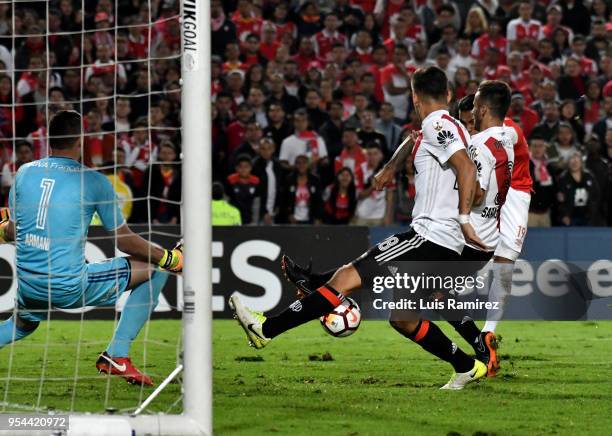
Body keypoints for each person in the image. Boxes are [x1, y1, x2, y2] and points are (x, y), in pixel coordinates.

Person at [230, 66, 489, 390]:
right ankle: (467, 366)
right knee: (403, 319)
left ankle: (266, 329)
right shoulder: (458, 130)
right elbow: (475, 186)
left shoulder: (437, 123)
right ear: (449, 95)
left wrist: (462, 220)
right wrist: (394, 169)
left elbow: (465, 170)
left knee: (346, 279)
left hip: (429, 236)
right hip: (443, 241)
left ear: (413, 97)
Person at [0, 111, 183, 386]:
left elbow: (13, 229)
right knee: (155, 268)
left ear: (49, 139)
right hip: (68, 286)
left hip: (28, 286)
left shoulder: (24, 173)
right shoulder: (94, 181)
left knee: (22, 325)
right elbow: (124, 241)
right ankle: (117, 354)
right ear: (81, 141)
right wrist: (171, 258)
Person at [461, 80, 517, 377]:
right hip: (491, 234)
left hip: (469, 235)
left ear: (482, 108)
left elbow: (478, 194)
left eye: (474, 105)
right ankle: (481, 345)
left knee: (419, 290)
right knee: (438, 296)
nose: (472, 110)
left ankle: (470, 360)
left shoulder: (478, 145)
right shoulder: (506, 138)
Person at [557, 151, 600, 226]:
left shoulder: (589, 176)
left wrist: (593, 212)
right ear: (568, 162)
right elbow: (559, 200)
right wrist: (564, 215)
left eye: (577, 160)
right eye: (572, 160)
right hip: (570, 218)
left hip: (588, 217)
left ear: (581, 163)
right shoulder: (563, 178)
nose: (574, 163)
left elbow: (596, 195)